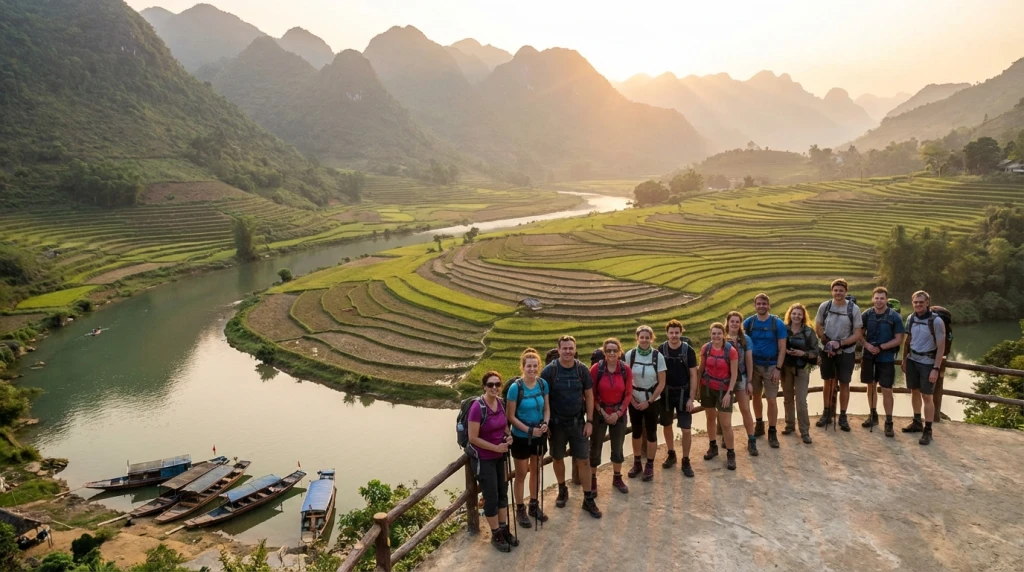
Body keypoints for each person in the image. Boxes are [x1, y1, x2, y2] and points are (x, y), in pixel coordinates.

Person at [540, 335, 601, 517]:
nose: (567, 351)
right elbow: (545, 400)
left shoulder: (582, 370)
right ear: (558, 350)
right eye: (564, 348)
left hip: (577, 422)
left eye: (570, 348)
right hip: (556, 424)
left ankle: (588, 499)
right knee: (557, 458)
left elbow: (589, 396)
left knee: (584, 460)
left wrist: (589, 421)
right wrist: (546, 422)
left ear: (575, 350)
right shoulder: (549, 372)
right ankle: (562, 489)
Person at [467, 371, 517, 552]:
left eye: (497, 384)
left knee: (502, 492)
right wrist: (496, 448)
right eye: (490, 385)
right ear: (484, 387)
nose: (494, 388)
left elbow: (504, 425)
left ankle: (503, 528)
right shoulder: (477, 407)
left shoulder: (501, 403)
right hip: (485, 459)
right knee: (491, 497)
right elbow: (472, 438)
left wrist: (508, 436)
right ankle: (495, 533)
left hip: (499, 457)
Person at [505, 348, 550, 529]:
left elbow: (547, 408)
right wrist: (529, 430)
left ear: (538, 367)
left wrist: (545, 423)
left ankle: (533, 504)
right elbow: (511, 416)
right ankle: (520, 509)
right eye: (528, 366)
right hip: (522, 436)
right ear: (522, 367)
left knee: (536, 470)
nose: (532, 369)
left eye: (534, 366)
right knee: (521, 473)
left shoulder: (542, 384)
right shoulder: (516, 388)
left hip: (539, 434)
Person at [814, 279, 863, 431]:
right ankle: (826, 413)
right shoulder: (825, 306)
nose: (838, 293)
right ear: (832, 291)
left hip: (846, 351)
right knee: (827, 381)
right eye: (835, 290)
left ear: (845, 292)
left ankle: (842, 416)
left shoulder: (853, 309)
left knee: (844, 383)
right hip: (827, 349)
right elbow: (818, 326)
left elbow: (857, 334)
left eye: (841, 290)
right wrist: (827, 342)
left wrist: (840, 344)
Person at [860, 287, 906, 437]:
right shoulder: (866, 314)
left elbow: (899, 339)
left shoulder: (895, 317)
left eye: (882, 298)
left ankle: (888, 421)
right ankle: (873, 415)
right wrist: (867, 346)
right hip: (869, 356)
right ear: (872, 299)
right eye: (876, 298)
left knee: (887, 389)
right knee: (871, 386)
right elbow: (859, 333)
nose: (879, 301)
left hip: (886, 357)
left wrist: (881, 347)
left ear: (886, 299)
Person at [743, 294, 787, 449]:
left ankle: (772, 431)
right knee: (755, 396)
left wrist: (778, 369)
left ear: (769, 305)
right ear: (754, 305)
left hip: (771, 366)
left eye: (764, 303)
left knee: (771, 399)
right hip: (753, 366)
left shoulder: (777, 323)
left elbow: (782, 348)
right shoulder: (749, 323)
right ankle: (760, 423)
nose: (761, 306)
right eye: (758, 303)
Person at [588, 338, 632, 495]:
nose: (612, 353)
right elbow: (591, 394)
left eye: (615, 350)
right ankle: (592, 479)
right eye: (608, 351)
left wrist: (618, 413)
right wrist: (602, 412)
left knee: (618, 446)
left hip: (618, 413)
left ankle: (617, 477)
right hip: (600, 413)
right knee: (595, 447)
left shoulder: (625, 370)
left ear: (619, 352)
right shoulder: (596, 369)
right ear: (604, 352)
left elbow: (628, 394)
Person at [901, 291, 945, 445]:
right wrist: (904, 359)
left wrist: (936, 368)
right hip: (912, 359)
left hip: (928, 362)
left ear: (927, 302)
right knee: (914, 391)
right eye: (915, 302)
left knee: (927, 396)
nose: (918, 304)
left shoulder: (936, 321)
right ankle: (917, 421)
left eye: (921, 302)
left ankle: (928, 429)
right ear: (912, 303)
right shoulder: (911, 318)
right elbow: (908, 340)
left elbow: (941, 347)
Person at [623, 325, 667, 482]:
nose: (644, 340)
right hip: (634, 399)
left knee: (651, 432)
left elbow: (662, 383)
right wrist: (632, 400)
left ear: (651, 338)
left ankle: (649, 464)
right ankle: (636, 463)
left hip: (652, 400)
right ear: (637, 338)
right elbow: (626, 380)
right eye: (641, 337)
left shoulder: (657, 356)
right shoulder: (630, 355)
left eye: (647, 337)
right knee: (635, 432)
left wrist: (649, 401)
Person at [658, 320, 698, 477]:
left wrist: (691, 398)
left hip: (683, 393)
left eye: (677, 332)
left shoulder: (688, 350)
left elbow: (694, 375)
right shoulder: (661, 349)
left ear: (681, 333)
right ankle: (671, 453)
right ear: (667, 333)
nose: (674, 335)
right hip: (666, 394)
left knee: (686, 429)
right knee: (667, 425)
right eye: (671, 333)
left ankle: (686, 459)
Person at [698, 323, 739, 470]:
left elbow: (734, 374)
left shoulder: (731, 351)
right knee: (710, 418)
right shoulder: (706, 348)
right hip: (707, 388)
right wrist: (697, 389)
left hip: (724, 390)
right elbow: (701, 369)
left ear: (723, 334)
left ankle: (730, 453)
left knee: (726, 424)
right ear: (710, 334)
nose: (716, 336)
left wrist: (729, 393)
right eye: (713, 334)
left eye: (718, 333)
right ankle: (713, 446)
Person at [782, 303, 820, 444]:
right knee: (787, 398)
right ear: (790, 315)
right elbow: (778, 345)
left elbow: (815, 352)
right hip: (786, 368)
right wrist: (784, 351)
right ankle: (790, 425)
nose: (796, 316)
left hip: (802, 369)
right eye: (794, 313)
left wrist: (802, 353)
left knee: (801, 401)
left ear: (803, 315)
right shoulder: (784, 330)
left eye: (799, 314)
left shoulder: (809, 332)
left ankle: (804, 431)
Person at [725, 312, 756, 456]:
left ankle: (751, 439)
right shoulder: (722, 338)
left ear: (740, 324)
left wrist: (750, 381)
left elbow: (749, 361)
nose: (734, 324)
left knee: (745, 409)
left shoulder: (746, 339)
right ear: (728, 322)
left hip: (741, 377)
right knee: (726, 411)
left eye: (737, 322)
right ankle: (727, 438)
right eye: (732, 321)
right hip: (724, 379)